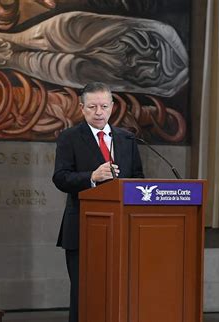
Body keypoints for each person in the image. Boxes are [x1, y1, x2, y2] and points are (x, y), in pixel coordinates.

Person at [52, 82, 144, 322]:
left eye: (104, 106)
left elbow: (138, 179)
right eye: (92, 106)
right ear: (82, 108)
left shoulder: (127, 138)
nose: (99, 112)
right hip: (82, 229)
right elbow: (60, 178)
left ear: (112, 107)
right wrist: (91, 177)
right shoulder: (69, 138)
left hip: (122, 231)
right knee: (84, 295)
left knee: (120, 293)